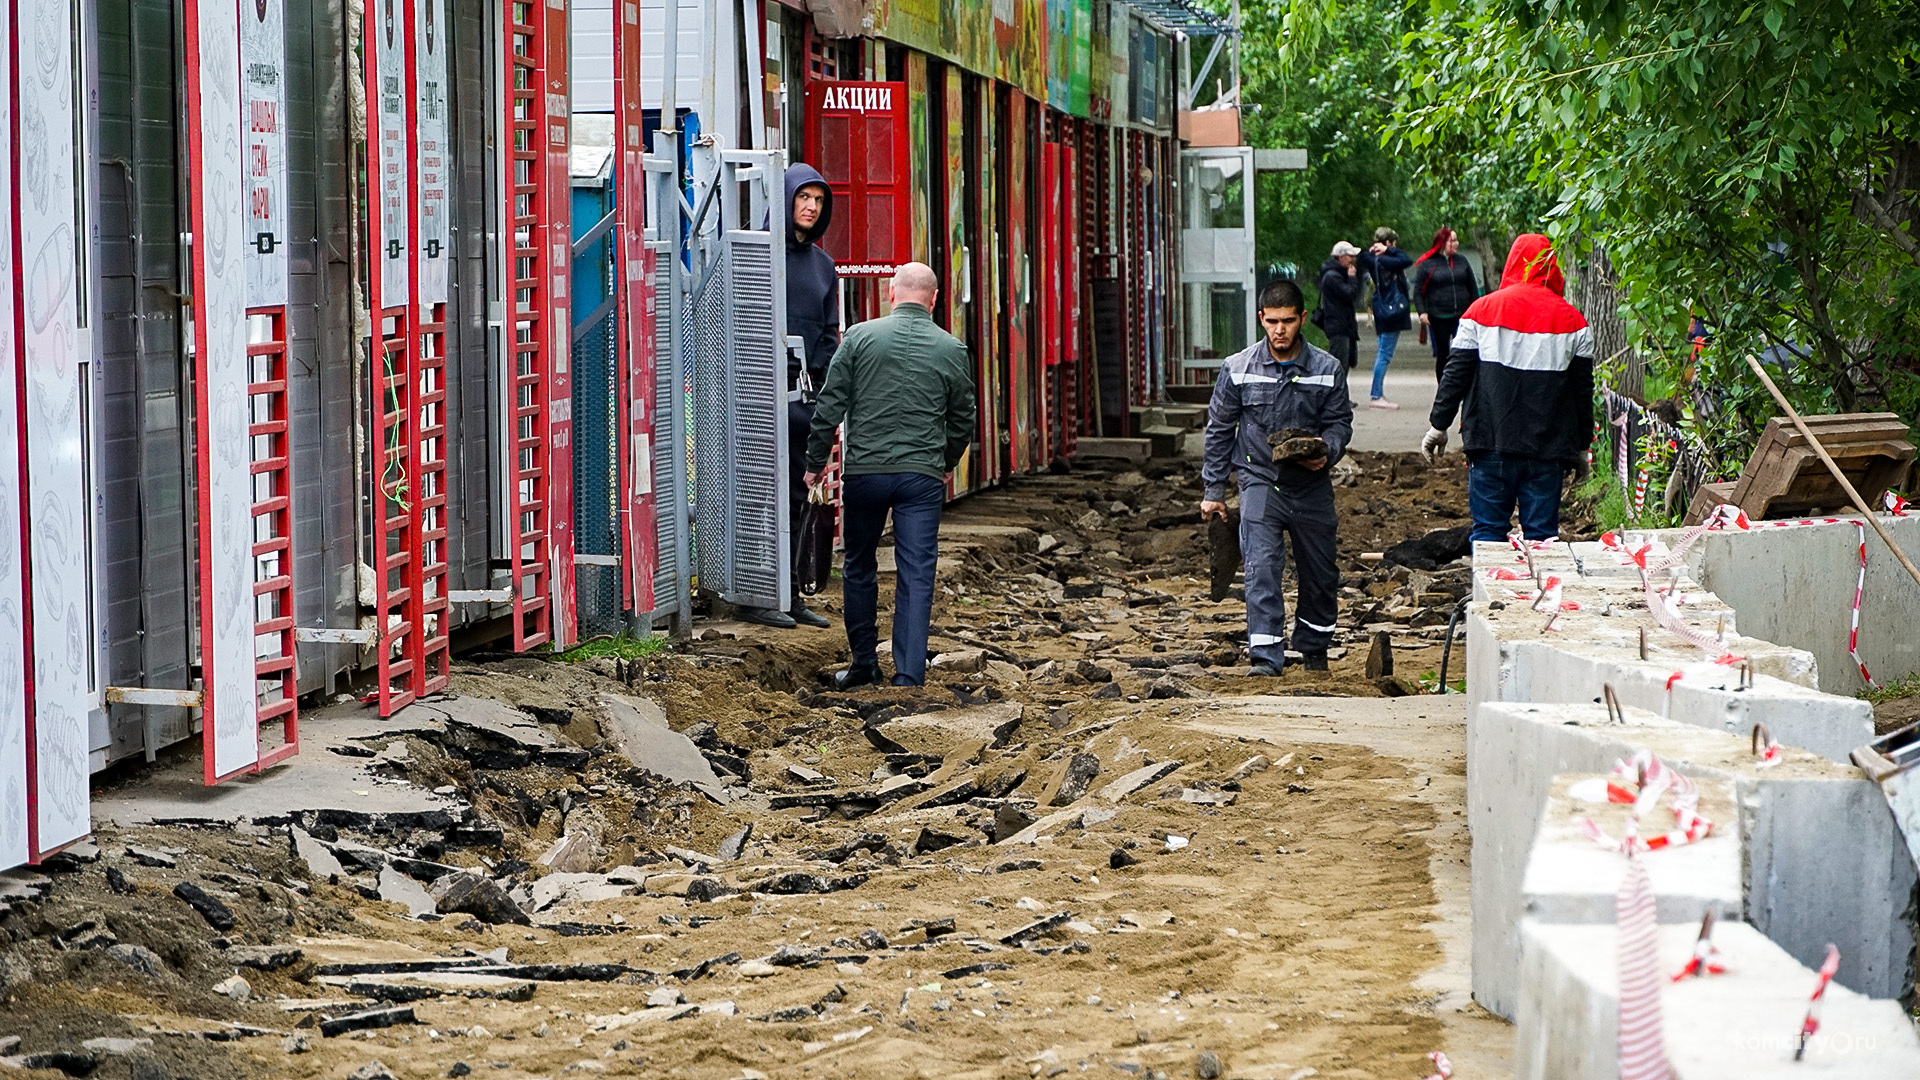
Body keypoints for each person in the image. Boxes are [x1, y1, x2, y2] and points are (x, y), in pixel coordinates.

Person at [805, 263, 976, 690]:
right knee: (916, 571)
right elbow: (962, 420)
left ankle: (864, 663)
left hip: (865, 473)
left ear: (892, 294)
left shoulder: (861, 337)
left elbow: (830, 406)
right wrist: (944, 461)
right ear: (934, 300)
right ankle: (908, 674)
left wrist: (814, 462)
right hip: (920, 478)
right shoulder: (951, 349)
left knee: (859, 564)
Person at [1200, 278, 1353, 677]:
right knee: (1261, 567)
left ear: (1303, 318)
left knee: (1320, 572)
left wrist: (1326, 450)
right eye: (1272, 322)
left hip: (1311, 485)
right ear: (1261, 319)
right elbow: (1219, 428)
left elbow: (1340, 422)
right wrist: (1214, 490)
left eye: (1287, 321)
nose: (1279, 330)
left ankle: (1314, 649)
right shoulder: (1238, 369)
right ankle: (1266, 659)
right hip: (1259, 480)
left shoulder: (1327, 369)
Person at [1422, 233, 1594, 542]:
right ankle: (1540, 591)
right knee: (1542, 538)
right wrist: (1582, 447)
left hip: (1490, 443)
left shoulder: (1479, 312)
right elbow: (1582, 392)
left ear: (1513, 263)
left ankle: (1489, 590)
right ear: (1551, 267)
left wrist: (1438, 425)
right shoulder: (1574, 322)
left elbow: (1455, 374)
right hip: (1547, 450)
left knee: (1488, 532)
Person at [741, 164, 842, 629]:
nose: (811, 207)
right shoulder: (755, 255)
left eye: (819, 201)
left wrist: (819, 389)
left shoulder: (824, 266)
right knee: (756, 493)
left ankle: (790, 593)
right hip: (757, 394)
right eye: (804, 197)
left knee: (797, 497)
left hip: (802, 399)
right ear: (784, 199)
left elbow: (827, 334)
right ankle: (755, 592)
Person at [1412, 226, 1479, 381]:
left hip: (1462, 316)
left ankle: (1463, 387)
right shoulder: (1427, 264)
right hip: (1438, 316)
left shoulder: (1462, 261)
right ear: (1443, 243)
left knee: (1464, 352)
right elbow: (1418, 292)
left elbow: (1472, 287)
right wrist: (1422, 312)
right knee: (1443, 353)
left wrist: (1476, 309)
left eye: (1456, 240)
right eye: (1452, 241)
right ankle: (1443, 387)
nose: (1456, 244)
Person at [1357, 226, 1413, 410]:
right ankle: (1376, 395)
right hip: (1392, 311)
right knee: (1384, 354)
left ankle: (1377, 393)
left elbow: (1363, 256)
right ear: (1388, 242)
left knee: (1382, 351)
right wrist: (1388, 250)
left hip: (1382, 308)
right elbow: (1406, 260)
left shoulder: (1371, 258)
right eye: (1392, 244)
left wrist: (1377, 249)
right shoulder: (1386, 260)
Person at [1315, 241, 1362, 370]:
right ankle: (1336, 390)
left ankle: (1339, 389)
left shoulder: (1339, 274)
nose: (1353, 260)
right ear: (1341, 257)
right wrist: (1352, 279)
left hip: (1344, 325)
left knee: (1346, 363)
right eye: (1350, 256)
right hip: (1338, 325)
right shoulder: (1333, 276)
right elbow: (1349, 294)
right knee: (1339, 366)